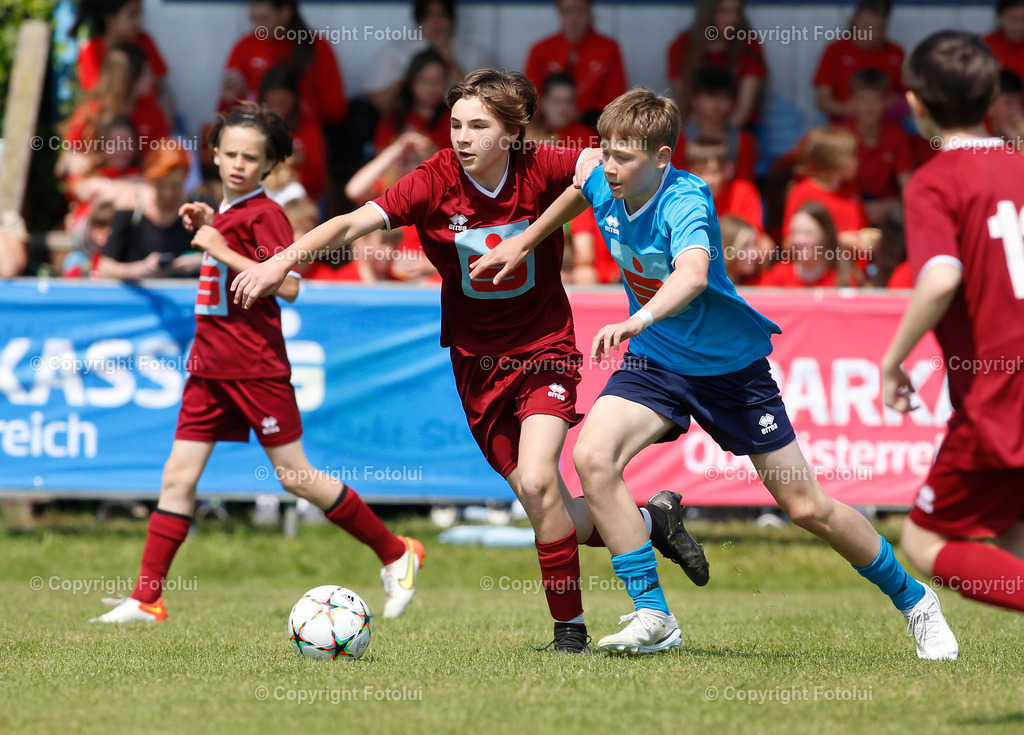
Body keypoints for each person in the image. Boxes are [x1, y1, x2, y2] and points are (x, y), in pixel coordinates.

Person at [472, 87, 958, 660]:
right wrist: (526, 241)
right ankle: (653, 614)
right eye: (605, 150)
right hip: (656, 361)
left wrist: (640, 317)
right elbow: (580, 187)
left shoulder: (687, 198)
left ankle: (917, 602)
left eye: (624, 156)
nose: (609, 165)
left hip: (731, 371)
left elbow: (695, 274)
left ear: (662, 158)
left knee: (806, 508)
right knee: (592, 458)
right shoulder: (604, 176)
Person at [232, 70, 709, 653]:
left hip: (544, 350)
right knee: (545, 504)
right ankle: (652, 522)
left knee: (539, 480)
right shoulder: (434, 181)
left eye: (479, 125)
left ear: (512, 132)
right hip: (476, 365)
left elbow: (597, 174)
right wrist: (283, 261)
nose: (462, 136)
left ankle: (571, 636)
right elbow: (354, 221)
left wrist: (529, 237)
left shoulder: (543, 164)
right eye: (455, 123)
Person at [91, 104, 424, 623]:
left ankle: (396, 551)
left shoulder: (266, 213)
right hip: (209, 367)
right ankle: (147, 597)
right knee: (177, 476)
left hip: (254, 367)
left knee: (295, 476)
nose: (239, 164)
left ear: (270, 165)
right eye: (230, 154)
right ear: (215, 155)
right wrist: (211, 225)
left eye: (252, 157)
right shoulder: (223, 209)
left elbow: (289, 285)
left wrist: (221, 247)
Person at [882, 31, 1024, 613]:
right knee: (1014, 532)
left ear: (915, 101)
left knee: (924, 539)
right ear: (991, 94)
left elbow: (941, 276)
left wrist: (892, 360)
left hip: (1000, 393)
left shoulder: (936, 181)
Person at [220, 0, 347, 125]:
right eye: (254, 19)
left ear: (285, 12)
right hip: (255, 129)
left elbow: (336, 109)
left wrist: (294, 108)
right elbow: (225, 113)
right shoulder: (244, 46)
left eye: (264, 19)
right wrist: (230, 99)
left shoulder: (316, 47)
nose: (258, 27)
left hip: (304, 130)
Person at [96, 141, 203, 280]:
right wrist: (141, 269)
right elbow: (104, 267)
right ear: (150, 179)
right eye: (161, 185)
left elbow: (223, 254)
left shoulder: (200, 208)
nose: (168, 193)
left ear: (185, 179)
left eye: (175, 186)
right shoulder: (131, 206)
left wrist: (198, 261)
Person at [524, 0, 627, 127]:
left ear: (589, 10)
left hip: (594, 127)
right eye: (566, 11)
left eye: (579, 10)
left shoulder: (609, 49)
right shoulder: (540, 50)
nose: (573, 17)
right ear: (559, 12)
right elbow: (530, 98)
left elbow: (616, 100)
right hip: (548, 128)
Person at [667, 0, 767, 128]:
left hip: (737, 127)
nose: (732, 18)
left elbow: (743, 109)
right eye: (724, 11)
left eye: (737, 12)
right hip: (695, 125)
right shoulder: (682, 46)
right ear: (708, 12)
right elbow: (684, 103)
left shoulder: (749, 47)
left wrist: (724, 135)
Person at [842, 67, 913, 226]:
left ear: (887, 102)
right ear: (851, 101)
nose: (869, 106)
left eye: (876, 99)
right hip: (848, 204)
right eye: (862, 99)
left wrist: (892, 204)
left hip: (885, 208)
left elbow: (907, 184)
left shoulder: (896, 135)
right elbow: (831, 183)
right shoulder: (842, 135)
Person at [813, 0, 905, 121]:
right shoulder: (836, 50)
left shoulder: (896, 52)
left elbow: (910, 98)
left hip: (887, 125)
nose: (874, 35)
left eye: (880, 29)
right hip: (843, 126)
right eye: (868, 27)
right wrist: (853, 110)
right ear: (855, 20)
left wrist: (892, 104)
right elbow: (822, 101)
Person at [672, 67, 758, 182]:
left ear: (733, 101)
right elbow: (675, 181)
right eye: (710, 95)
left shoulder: (744, 140)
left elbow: (745, 182)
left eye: (723, 96)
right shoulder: (679, 139)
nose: (717, 103)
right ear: (695, 100)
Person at [761, 201, 858, 288]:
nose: (799, 240)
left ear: (826, 236)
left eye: (808, 233)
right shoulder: (778, 275)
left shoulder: (844, 278)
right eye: (795, 232)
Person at [373, 49, 453, 153]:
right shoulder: (393, 119)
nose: (431, 88)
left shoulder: (454, 119)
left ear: (446, 82)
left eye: (438, 81)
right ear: (411, 82)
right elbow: (380, 159)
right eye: (424, 81)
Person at [983, 0, 1024, 91]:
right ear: (999, 17)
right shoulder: (985, 47)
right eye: (1012, 18)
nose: (1018, 25)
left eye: (1023, 19)